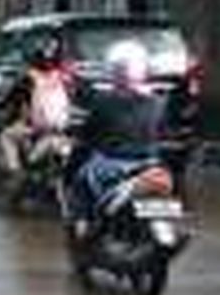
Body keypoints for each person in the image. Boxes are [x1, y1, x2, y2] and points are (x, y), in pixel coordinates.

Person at [64, 41, 167, 238]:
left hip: (113, 164)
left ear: (117, 71)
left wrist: (79, 145)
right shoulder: (159, 101)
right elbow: (164, 134)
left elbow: (88, 134)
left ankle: (82, 231)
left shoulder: (105, 101)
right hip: (150, 164)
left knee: (81, 182)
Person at [0, 35, 73, 194]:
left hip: (37, 128)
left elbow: (11, 98)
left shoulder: (29, 77)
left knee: (6, 136)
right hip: (63, 128)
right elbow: (76, 97)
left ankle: (15, 171)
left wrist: (1, 105)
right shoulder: (64, 77)